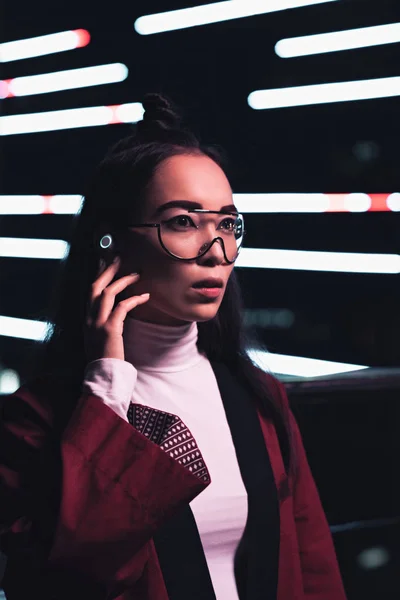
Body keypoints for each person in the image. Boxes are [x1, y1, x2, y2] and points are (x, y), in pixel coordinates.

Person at [0, 93, 346, 600]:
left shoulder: (260, 401)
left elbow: (315, 575)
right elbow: (73, 577)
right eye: (183, 222)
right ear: (110, 242)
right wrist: (107, 391)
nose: (218, 252)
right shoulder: (35, 421)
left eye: (227, 223)